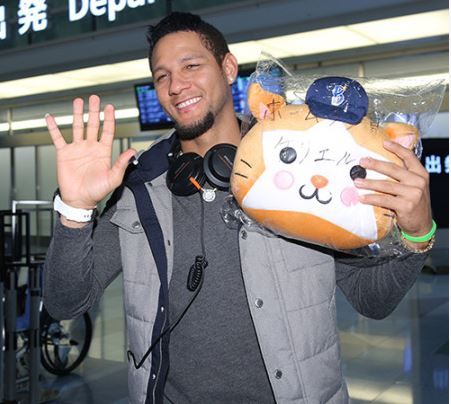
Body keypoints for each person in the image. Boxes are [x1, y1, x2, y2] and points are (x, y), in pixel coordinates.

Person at [43, 12, 435, 404]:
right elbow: (66, 302)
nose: (176, 86)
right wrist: (75, 209)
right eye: (162, 76)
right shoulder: (140, 186)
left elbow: (373, 300)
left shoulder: (303, 166)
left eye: (191, 66)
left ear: (228, 68)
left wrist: (417, 232)